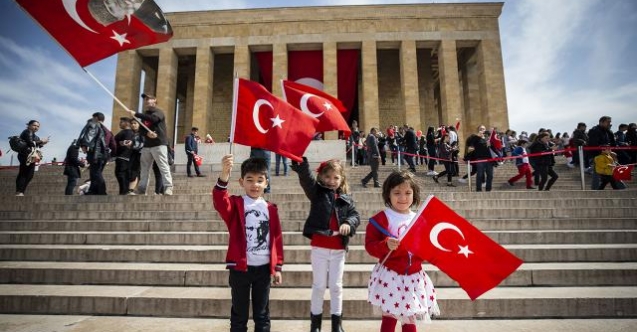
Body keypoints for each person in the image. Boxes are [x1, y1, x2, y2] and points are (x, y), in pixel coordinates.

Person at [212, 155, 284, 332]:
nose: (255, 185)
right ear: (241, 181)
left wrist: (278, 267)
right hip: (240, 269)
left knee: (262, 315)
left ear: (266, 183)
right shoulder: (236, 204)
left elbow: (276, 239)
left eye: (260, 180)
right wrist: (224, 174)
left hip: (264, 269)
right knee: (239, 314)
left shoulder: (271, 209)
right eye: (250, 180)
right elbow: (220, 201)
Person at [290, 158, 361, 332]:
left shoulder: (346, 199)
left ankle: (337, 325)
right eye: (327, 176)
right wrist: (302, 164)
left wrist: (348, 223)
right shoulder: (316, 192)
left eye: (336, 177)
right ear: (321, 177)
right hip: (320, 247)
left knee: (336, 286)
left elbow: (355, 216)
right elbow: (306, 179)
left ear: (341, 180)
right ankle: (315, 325)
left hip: (338, 250)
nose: (331, 181)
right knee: (319, 286)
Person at [365, 171, 440, 332]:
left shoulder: (419, 219)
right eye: (397, 193)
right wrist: (385, 245)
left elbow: (427, 247)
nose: (403, 198)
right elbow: (370, 246)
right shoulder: (381, 219)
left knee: (409, 317)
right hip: (391, 275)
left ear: (414, 194)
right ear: (388, 194)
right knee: (390, 316)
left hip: (414, 276)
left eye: (408, 193)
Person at [127, 93, 174, 195]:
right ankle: (142, 189)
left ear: (155, 101)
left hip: (159, 144)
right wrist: (147, 133)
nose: (147, 100)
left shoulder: (159, 112)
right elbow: (142, 130)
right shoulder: (145, 115)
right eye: (145, 99)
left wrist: (136, 114)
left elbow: (154, 119)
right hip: (147, 146)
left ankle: (168, 187)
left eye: (149, 99)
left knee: (163, 167)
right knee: (144, 169)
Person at [78, 112, 117, 195]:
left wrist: (83, 145)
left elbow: (88, 136)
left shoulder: (94, 126)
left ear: (96, 118)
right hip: (104, 155)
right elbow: (113, 145)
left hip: (96, 153)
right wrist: (112, 155)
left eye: (93, 118)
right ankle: (93, 190)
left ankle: (102, 191)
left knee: (96, 173)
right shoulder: (108, 131)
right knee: (94, 173)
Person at [15, 120, 49, 196]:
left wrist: (43, 143)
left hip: (32, 156)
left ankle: (21, 191)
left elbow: (37, 146)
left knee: (30, 175)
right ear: (29, 125)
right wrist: (41, 141)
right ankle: (19, 191)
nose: (36, 127)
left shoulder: (36, 136)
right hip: (24, 155)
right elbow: (30, 142)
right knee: (23, 173)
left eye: (38, 126)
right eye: (34, 125)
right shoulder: (27, 131)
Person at [466, 125, 493, 192]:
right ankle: (478, 189)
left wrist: (489, 144)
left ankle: (488, 189)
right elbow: (470, 145)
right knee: (480, 174)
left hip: (489, 159)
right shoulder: (475, 138)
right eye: (481, 129)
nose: (482, 130)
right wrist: (478, 136)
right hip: (480, 159)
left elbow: (491, 148)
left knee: (490, 175)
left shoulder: (487, 139)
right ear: (478, 130)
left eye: (483, 129)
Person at [114, 117, 135, 194]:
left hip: (123, 157)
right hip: (122, 157)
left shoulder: (128, 132)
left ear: (127, 123)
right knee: (120, 174)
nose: (120, 124)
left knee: (121, 174)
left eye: (121, 122)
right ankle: (123, 191)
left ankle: (124, 192)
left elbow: (127, 143)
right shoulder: (124, 132)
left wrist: (118, 143)